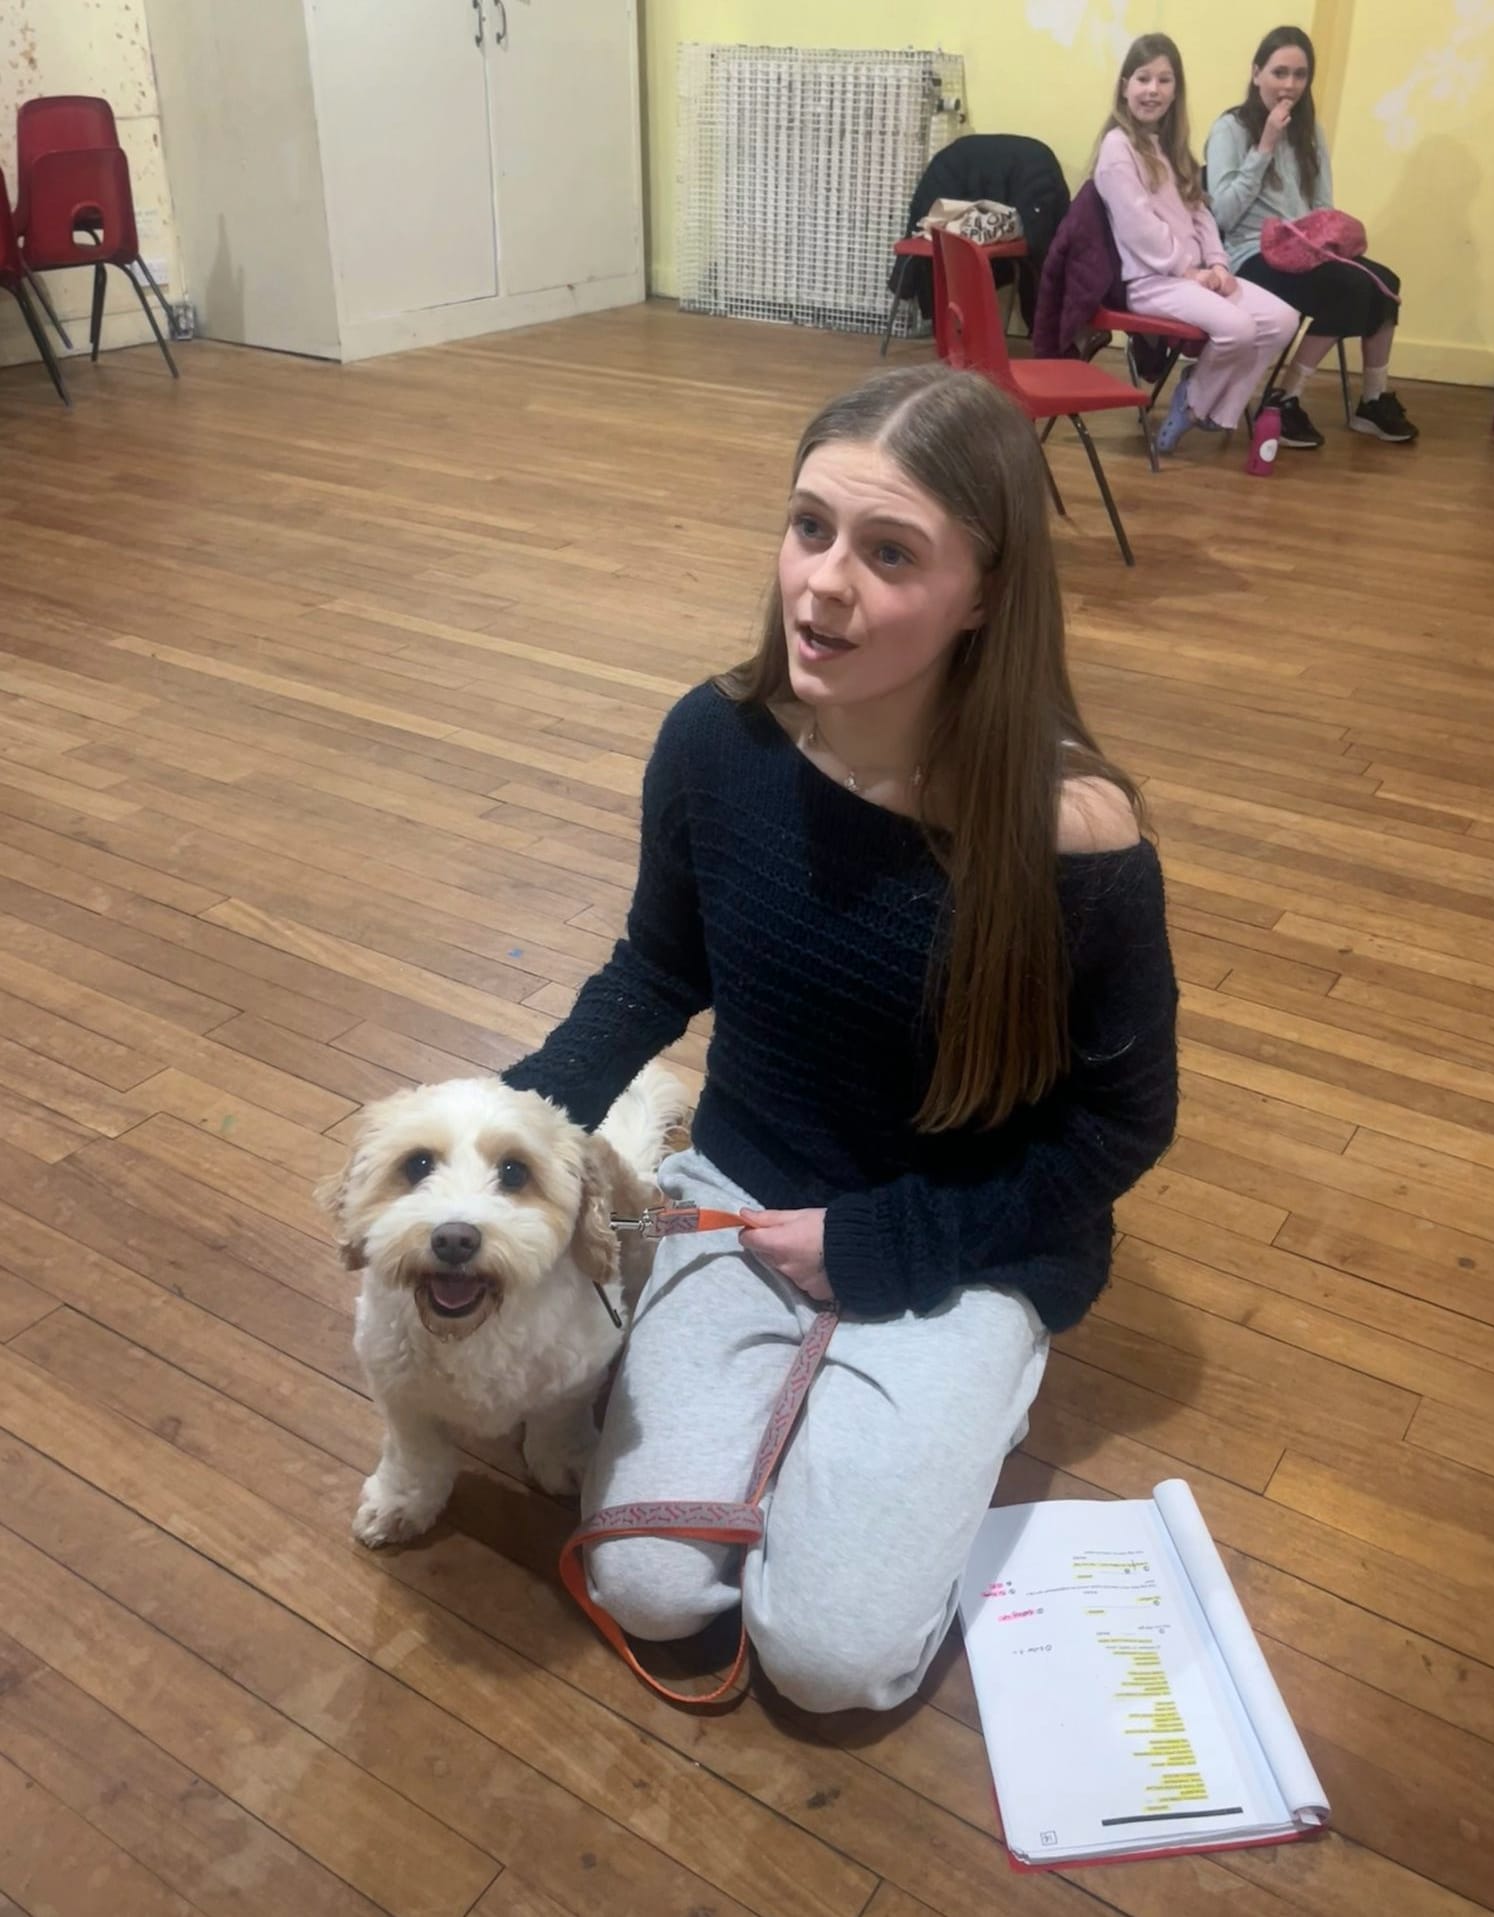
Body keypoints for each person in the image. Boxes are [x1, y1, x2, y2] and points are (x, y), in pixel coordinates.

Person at [500, 363, 1179, 1714]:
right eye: (808, 527)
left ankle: (975, 1377)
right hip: (741, 1192)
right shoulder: (712, 739)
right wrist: (499, 1127)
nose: (820, 586)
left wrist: (887, 1247)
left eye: (887, 554)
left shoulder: (1075, 835)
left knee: (828, 1663)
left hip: (963, 1229)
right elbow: (655, 968)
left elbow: (1119, 1126)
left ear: (984, 593)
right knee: (649, 1586)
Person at [1207, 25, 1418, 448]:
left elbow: (1322, 206)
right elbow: (1223, 213)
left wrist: (1329, 237)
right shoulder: (1231, 127)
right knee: (1350, 289)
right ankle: (1281, 401)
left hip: (1305, 250)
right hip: (1251, 253)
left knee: (1386, 283)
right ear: (1256, 74)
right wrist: (1265, 145)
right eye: (1279, 72)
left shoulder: (1311, 132)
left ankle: (1373, 401)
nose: (1289, 85)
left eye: (1299, 75)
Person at [1093, 33, 1299, 455]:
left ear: (1176, 89)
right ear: (1125, 85)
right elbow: (1138, 228)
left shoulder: (1170, 146)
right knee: (1237, 329)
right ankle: (1197, 402)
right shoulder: (1118, 148)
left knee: (1282, 319)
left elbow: (1201, 213)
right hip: (1153, 281)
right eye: (1143, 79)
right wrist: (1189, 270)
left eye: (1164, 80)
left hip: (1192, 276)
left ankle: (1198, 399)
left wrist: (1219, 265)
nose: (1153, 90)